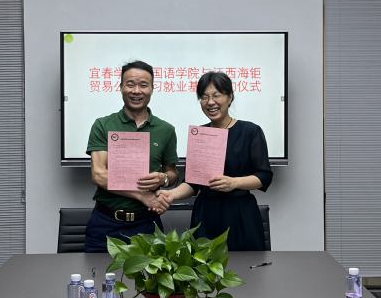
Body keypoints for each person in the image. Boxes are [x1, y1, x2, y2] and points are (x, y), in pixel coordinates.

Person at [156, 70, 272, 251]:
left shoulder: (250, 131)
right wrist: (171, 195)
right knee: (204, 266)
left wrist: (234, 183)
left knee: (246, 266)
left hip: (240, 213)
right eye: (204, 97)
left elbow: (264, 176)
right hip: (206, 214)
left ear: (230, 97)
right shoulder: (200, 134)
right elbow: (192, 183)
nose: (210, 102)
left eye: (216, 95)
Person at [84, 60, 177, 253]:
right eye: (130, 84)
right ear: (120, 88)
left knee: (149, 273)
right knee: (98, 272)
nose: (136, 91)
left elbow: (172, 173)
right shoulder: (103, 125)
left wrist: (164, 178)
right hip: (106, 223)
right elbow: (98, 175)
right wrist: (142, 195)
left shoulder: (166, 130)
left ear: (152, 89)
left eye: (143, 85)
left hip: (147, 224)